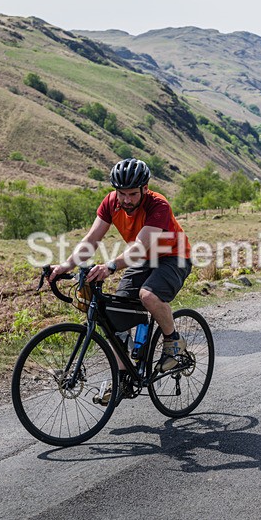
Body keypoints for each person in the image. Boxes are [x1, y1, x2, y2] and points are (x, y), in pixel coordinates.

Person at [49, 158, 193, 388]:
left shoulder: (158, 205)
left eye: (133, 194)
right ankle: (123, 377)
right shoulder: (111, 203)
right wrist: (66, 265)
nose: (126, 200)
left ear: (145, 189)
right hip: (143, 261)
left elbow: (139, 247)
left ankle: (173, 341)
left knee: (148, 295)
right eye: (121, 194)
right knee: (116, 315)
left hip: (173, 257)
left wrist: (110, 266)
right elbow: (91, 239)